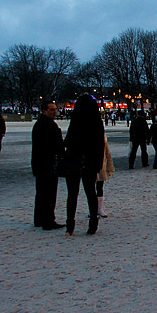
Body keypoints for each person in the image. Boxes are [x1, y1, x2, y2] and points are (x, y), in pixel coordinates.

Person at [64, 94, 105, 235]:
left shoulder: (76, 120)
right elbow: (100, 145)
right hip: (90, 161)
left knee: (72, 195)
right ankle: (92, 223)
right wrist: (98, 163)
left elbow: (68, 141)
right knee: (91, 193)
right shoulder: (96, 122)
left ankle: (70, 224)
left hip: (75, 160)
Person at [31, 101, 65, 230]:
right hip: (48, 164)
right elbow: (55, 146)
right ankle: (48, 220)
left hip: (40, 164)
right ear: (44, 110)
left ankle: (39, 219)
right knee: (49, 193)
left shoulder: (40, 124)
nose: (54, 112)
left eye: (55, 109)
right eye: (51, 110)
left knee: (41, 193)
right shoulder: (48, 125)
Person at [95, 134, 115, 218]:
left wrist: (110, 167)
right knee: (91, 190)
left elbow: (107, 153)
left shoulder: (102, 137)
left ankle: (100, 209)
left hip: (101, 166)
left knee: (99, 187)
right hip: (89, 166)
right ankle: (93, 209)